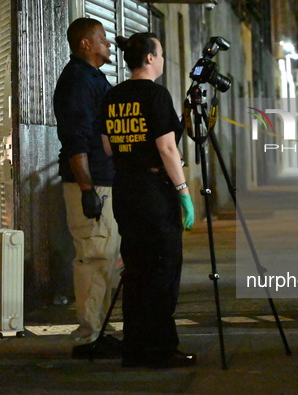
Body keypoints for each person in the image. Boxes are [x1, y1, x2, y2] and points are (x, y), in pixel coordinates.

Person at [101, 32, 196, 369]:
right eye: (162, 53)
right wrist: (183, 192)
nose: (164, 58)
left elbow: (108, 146)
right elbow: (167, 148)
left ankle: (135, 348)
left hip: (125, 188)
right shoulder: (155, 95)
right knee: (163, 269)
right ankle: (160, 348)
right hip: (155, 191)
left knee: (137, 270)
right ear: (152, 58)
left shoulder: (112, 95)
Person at [53, 17, 121, 344]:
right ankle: (89, 337)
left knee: (103, 258)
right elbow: (74, 139)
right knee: (93, 257)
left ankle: (100, 331)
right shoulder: (78, 81)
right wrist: (87, 189)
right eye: (102, 38)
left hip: (103, 181)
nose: (108, 44)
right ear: (85, 44)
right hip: (92, 184)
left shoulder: (92, 78)